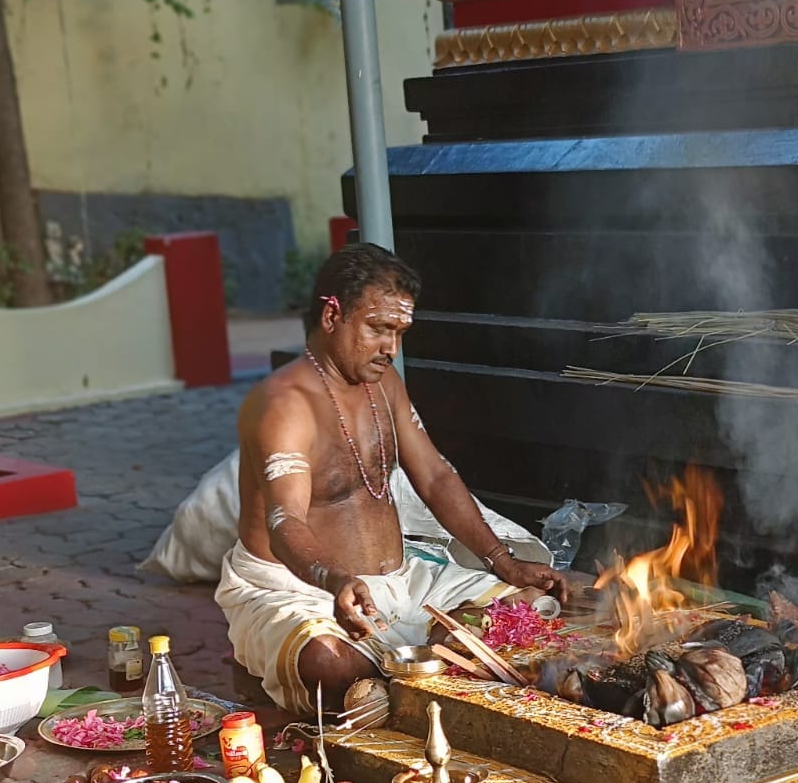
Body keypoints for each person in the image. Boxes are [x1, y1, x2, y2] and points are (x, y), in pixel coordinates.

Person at [216, 243, 566, 714]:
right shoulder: (284, 405)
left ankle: (405, 663)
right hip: (302, 589)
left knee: (527, 608)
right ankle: (272, 662)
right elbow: (285, 523)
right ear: (332, 314)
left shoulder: (384, 384)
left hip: (404, 583)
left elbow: (437, 477)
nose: (392, 349)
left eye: (400, 332)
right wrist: (335, 578)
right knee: (330, 665)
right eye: (379, 329)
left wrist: (504, 564)